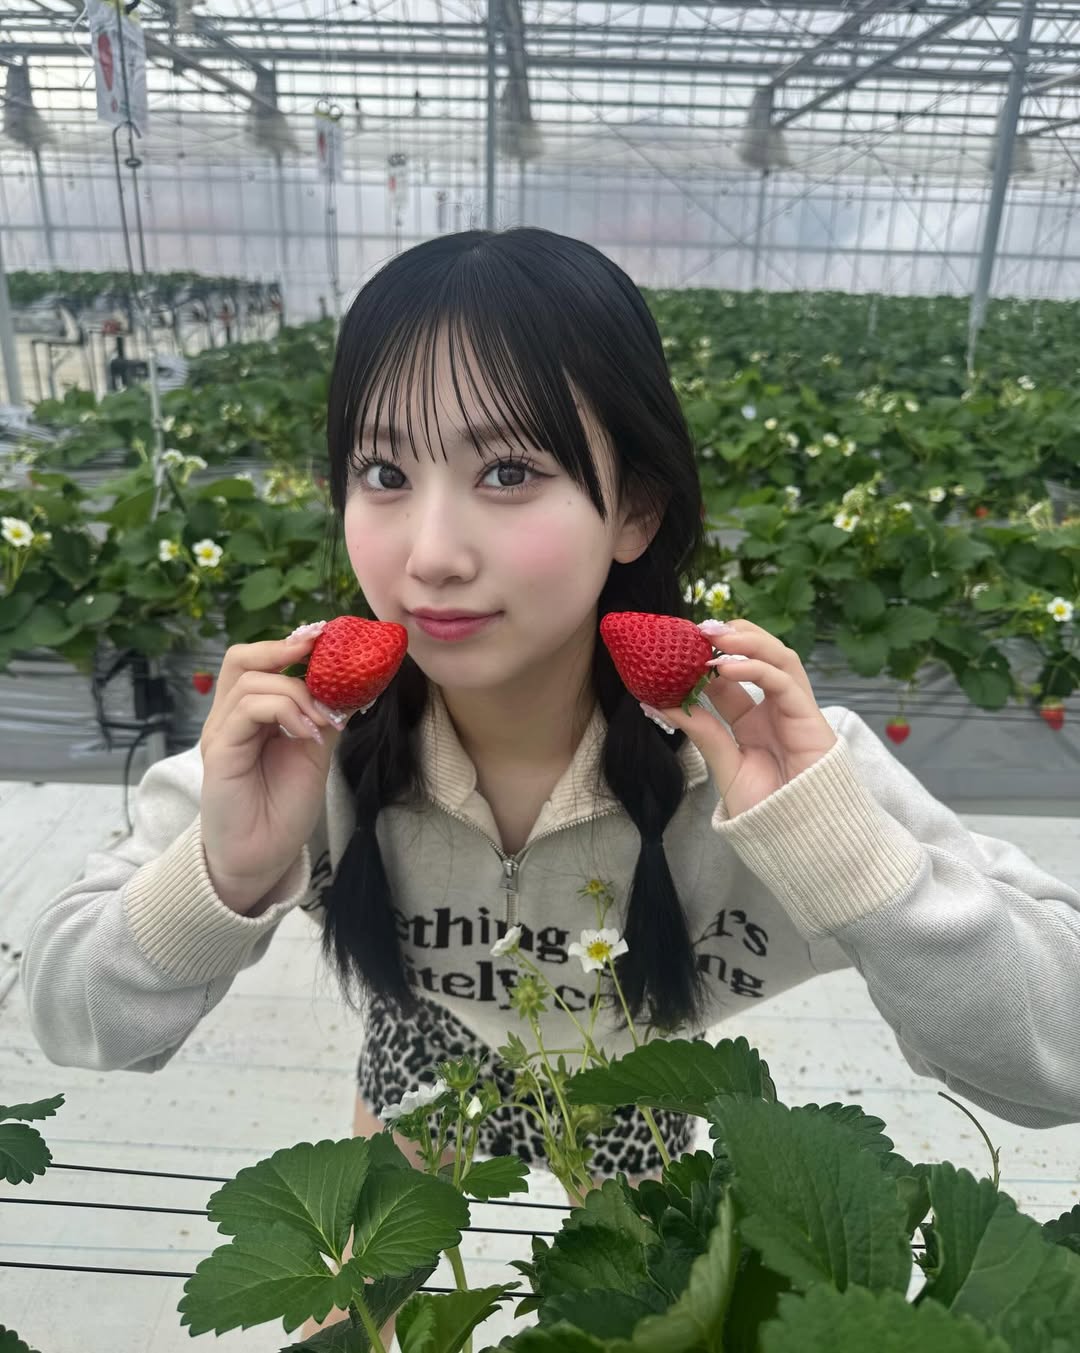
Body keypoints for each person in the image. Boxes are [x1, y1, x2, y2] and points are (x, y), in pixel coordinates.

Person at [20, 229, 1080, 1340]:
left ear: (636, 510)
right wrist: (226, 870)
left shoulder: (767, 763)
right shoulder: (299, 746)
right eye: (385, 474)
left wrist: (853, 864)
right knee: (351, 1312)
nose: (431, 553)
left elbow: (1057, 1056)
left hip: (629, 1081)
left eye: (508, 473)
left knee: (637, 1316)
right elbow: (70, 1015)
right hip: (423, 1049)